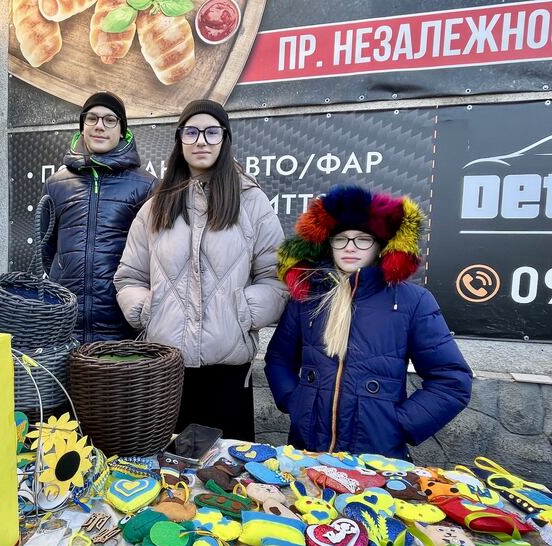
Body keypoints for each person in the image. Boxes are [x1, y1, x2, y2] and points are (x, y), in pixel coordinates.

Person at [114, 100, 287, 441]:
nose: (201, 141)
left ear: (225, 140)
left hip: (228, 373)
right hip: (165, 369)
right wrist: (148, 310)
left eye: (211, 132)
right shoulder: (156, 206)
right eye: (191, 132)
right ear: (179, 141)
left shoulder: (251, 202)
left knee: (225, 479)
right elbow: (129, 276)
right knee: (166, 479)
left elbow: (277, 277)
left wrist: (242, 312)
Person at [264, 185, 472, 459]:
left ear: (379, 246)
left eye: (363, 239)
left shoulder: (411, 301)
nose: (350, 247)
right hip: (308, 450)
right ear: (329, 243)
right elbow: (279, 359)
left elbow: (452, 380)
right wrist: (296, 402)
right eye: (341, 239)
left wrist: (398, 425)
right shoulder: (307, 296)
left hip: (376, 457)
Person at [42, 91, 156, 343]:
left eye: (109, 120)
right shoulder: (56, 184)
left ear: (122, 130)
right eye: (92, 118)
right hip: (66, 325)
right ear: (82, 126)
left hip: (121, 325)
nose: (99, 126)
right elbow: (48, 250)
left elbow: (153, 255)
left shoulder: (146, 185)